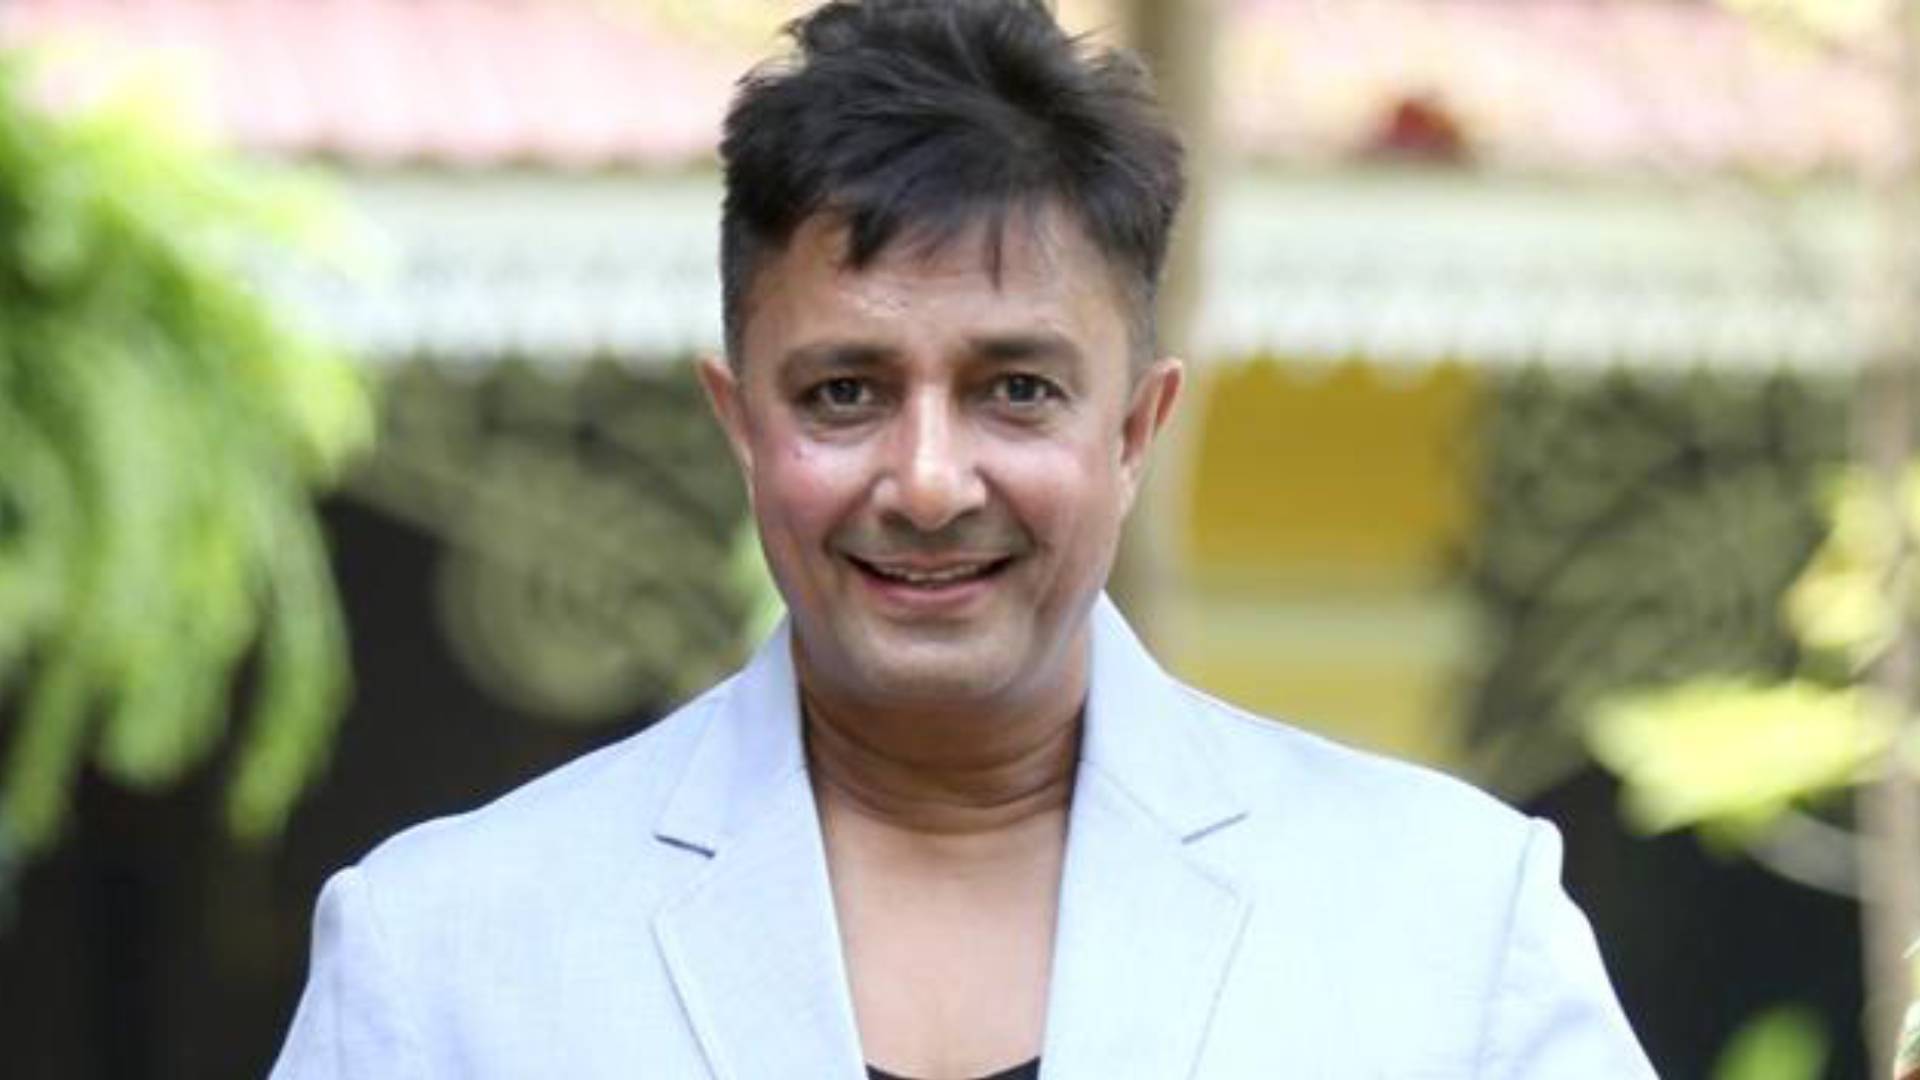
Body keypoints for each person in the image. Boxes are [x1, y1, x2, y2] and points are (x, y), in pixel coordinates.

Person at [271, 1, 1657, 1077]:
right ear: (740, 423)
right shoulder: (446, 954)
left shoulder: (1449, 924)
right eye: (844, 393)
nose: (929, 483)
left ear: (1136, 428)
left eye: (1017, 390)